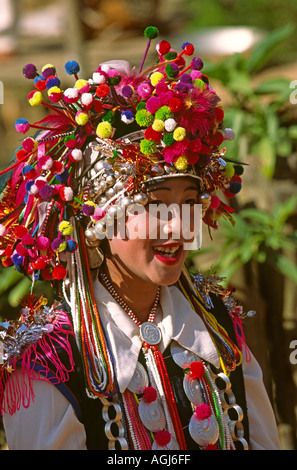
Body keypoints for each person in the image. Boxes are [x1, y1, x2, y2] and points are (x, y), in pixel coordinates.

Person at [0, 26, 279, 451]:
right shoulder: (54, 361)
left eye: (189, 202)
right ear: (100, 220)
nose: (175, 226)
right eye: (153, 206)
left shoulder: (219, 326)